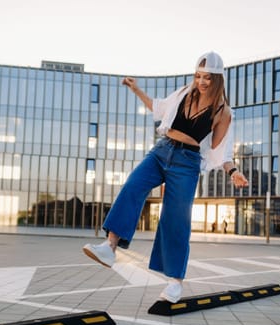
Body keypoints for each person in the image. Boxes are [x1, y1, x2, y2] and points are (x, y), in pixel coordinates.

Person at [82, 52, 248, 303]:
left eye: (208, 78)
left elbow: (219, 149)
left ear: (218, 79)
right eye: (199, 76)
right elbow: (159, 108)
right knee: (133, 186)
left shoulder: (223, 112)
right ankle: (110, 247)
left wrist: (233, 171)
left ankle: (174, 282)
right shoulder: (184, 93)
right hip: (162, 151)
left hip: (187, 163)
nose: (202, 82)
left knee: (175, 219)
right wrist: (136, 89)